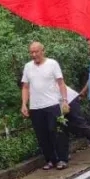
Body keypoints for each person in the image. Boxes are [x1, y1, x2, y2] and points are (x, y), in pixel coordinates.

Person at [21, 41, 71, 170]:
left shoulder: (52, 64)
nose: (34, 54)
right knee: (42, 135)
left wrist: (64, 100)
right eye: (31, 52)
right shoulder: (28, 67)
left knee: (56, 132)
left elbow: (61, 83)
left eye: (36, 51)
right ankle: (50, 159)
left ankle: (62, 158)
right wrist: (24, 104)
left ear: (42, 51)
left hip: (52, 104)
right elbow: (25, 87)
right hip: (36, 107)